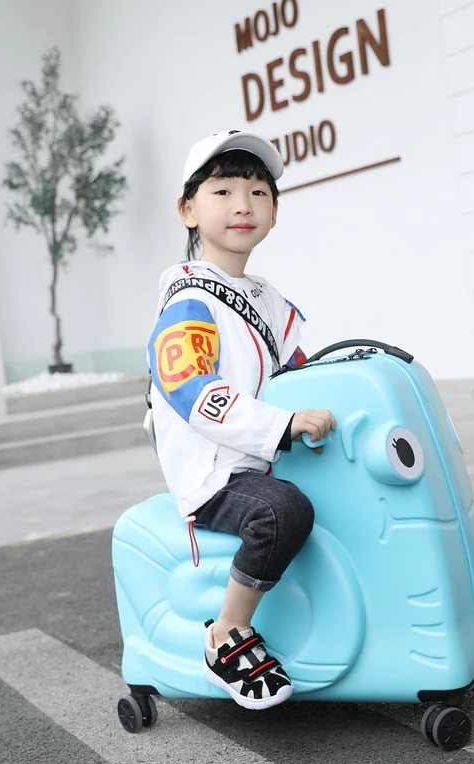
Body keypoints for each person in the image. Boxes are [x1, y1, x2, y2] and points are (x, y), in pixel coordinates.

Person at [146, 130, 335, 711]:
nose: (242, 205)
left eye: (258, 192)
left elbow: (301, 368)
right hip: (216, 472)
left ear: (275, 211)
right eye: (223, 191)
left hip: (264, 456)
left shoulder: (266, 298)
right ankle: (227, 634)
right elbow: (194, 391)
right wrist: (282, 425)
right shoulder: (189, 301)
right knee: (282, 512)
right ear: (188, 210)